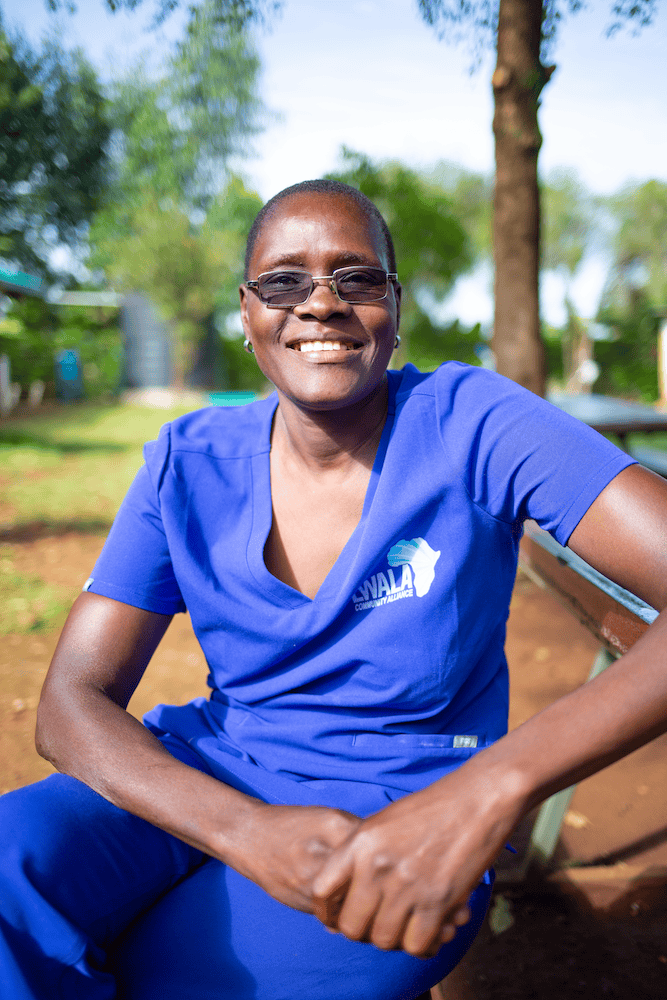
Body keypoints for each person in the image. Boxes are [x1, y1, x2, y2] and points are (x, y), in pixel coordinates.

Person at [1, 179, 667, 1000]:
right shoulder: (187, 462)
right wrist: (244, 829)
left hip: (400, 814)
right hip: (210, 774)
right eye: (284, 281)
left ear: (394, 307)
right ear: (247, 316)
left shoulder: (473, 423)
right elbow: (71, 702)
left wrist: (489, 790)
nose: (321, 303)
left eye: (356, 278)